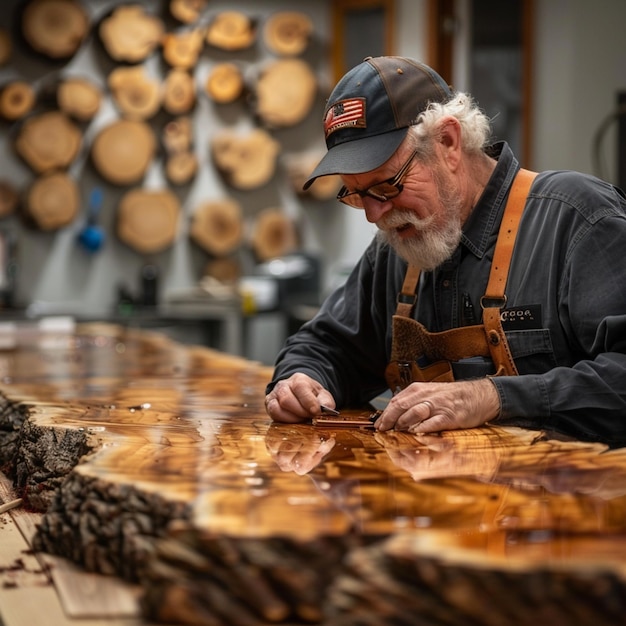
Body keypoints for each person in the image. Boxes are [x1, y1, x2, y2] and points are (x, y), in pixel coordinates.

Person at [264, 56, 626, 446]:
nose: (374, 215)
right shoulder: (398, 246)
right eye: (357, 194)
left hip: (570, 502)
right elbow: (325, 344)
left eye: (387, 187)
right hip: (439, 501)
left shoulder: (577, 219)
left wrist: (492, 396)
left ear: (448, 143)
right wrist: (301, 379)